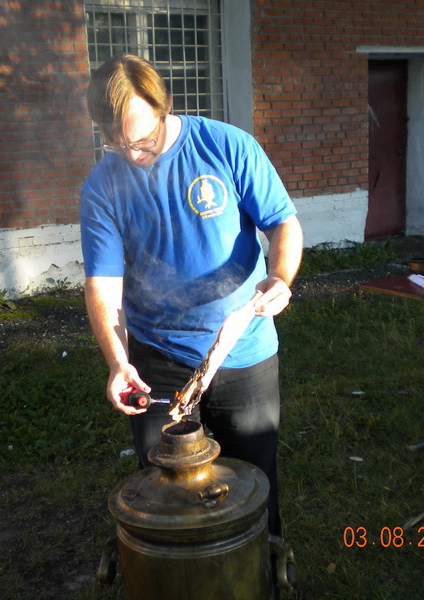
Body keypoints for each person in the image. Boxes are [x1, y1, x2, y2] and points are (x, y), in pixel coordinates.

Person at [79, 54, 303, 539]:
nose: (133, 155)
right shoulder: (103, 185)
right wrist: (118, 362)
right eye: (117, 144)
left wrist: (280, 277)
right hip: (157, 358)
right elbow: (102, 283)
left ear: (167, 107)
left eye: (143, 140)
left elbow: (283, 223)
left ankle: (265, 569)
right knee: (167, 493)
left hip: (244, 351)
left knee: (255, 483)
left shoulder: (226, 146)